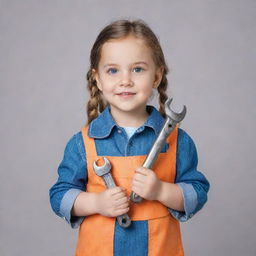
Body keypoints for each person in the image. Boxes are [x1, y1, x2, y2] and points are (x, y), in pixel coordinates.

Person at [49, 19, 210, 256]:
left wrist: (161, 191)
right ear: (98, 79)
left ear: (156, 76)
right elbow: (59, 195)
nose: (126, 80)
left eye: (138, 69)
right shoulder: (82, 144)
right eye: (113, 70)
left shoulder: (178, 141)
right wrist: (96, 203)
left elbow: (198, 193)